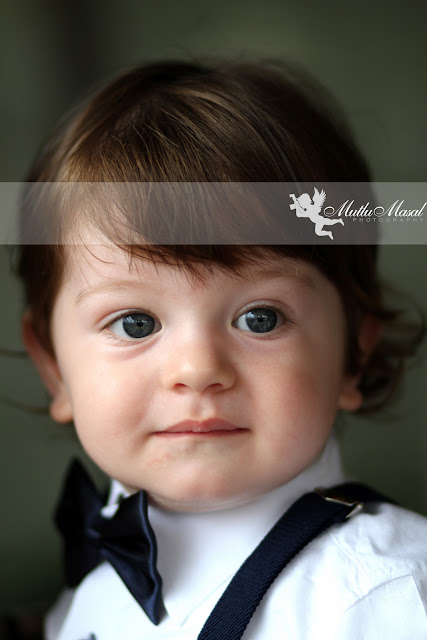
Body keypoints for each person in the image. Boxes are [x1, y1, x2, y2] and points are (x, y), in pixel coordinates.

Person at [16, 59, 427, 639]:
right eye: (135, 323)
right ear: (55, 368)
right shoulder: (87, 594)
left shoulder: (382, 596)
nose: (197, 369)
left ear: (352, 356)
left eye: (260, 319)